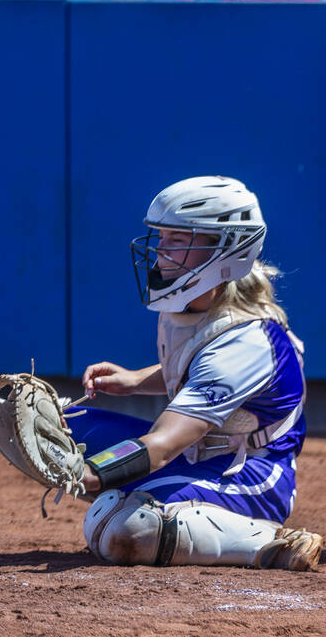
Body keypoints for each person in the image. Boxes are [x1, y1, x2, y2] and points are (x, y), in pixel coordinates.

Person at [71, 176, 321, 570]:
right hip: (198, 453)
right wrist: (137, 380)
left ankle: (269, 540)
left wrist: (88, 474)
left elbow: (164, 444)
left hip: (249, 473)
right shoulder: (196, 305)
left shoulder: (247, 341)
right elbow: (195, 366)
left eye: (176, 239)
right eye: (161, 237)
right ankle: (159, 498)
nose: (158, 252)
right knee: (55, 425)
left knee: (124, 530)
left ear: (225, 250)